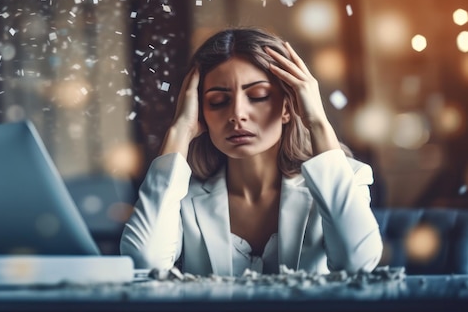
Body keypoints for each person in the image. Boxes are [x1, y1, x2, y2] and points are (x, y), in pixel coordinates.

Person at [120, 27, 383, 276]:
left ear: (288, 107)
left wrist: (316, 121)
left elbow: (357, 263)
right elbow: (145, 262)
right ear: (201, 111)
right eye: (218, 101)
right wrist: (180, 131)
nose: (237, 115)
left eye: (257, 95)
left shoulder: (349, 177)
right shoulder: (181, 194)